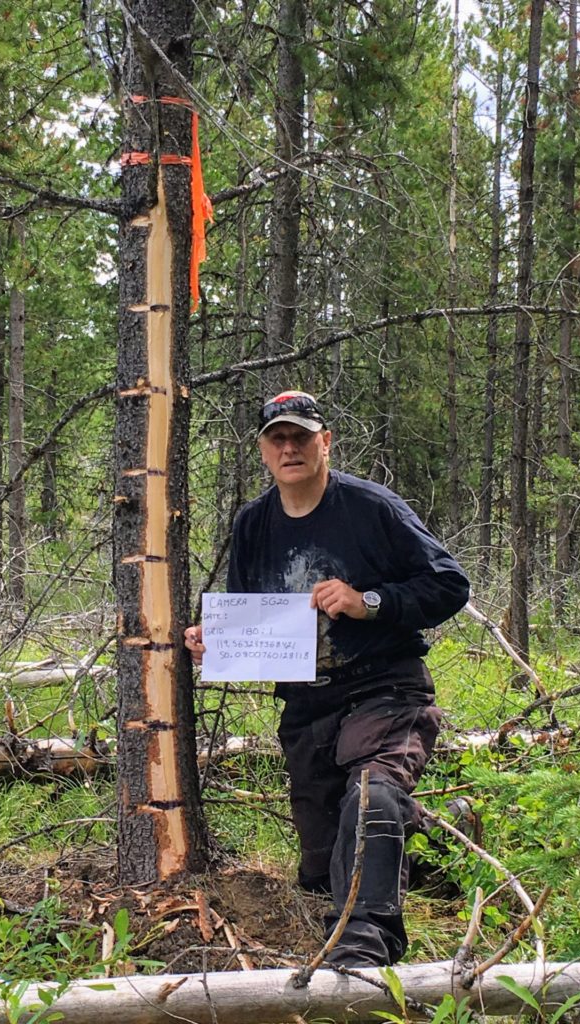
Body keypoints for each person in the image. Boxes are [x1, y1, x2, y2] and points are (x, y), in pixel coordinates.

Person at [184, 390, 470, 969]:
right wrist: (216, 642)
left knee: (370, 795)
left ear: (325, 443)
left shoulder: (371, 508)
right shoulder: (253, 524)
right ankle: (439, 842)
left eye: (301, 437)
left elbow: (449, 584)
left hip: (385, 684)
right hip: (307, 700)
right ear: (263, 452)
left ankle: (367, 948)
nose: (290, 448)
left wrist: (368, 601)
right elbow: (252, 615)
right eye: (277, 439)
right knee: (320, 874)